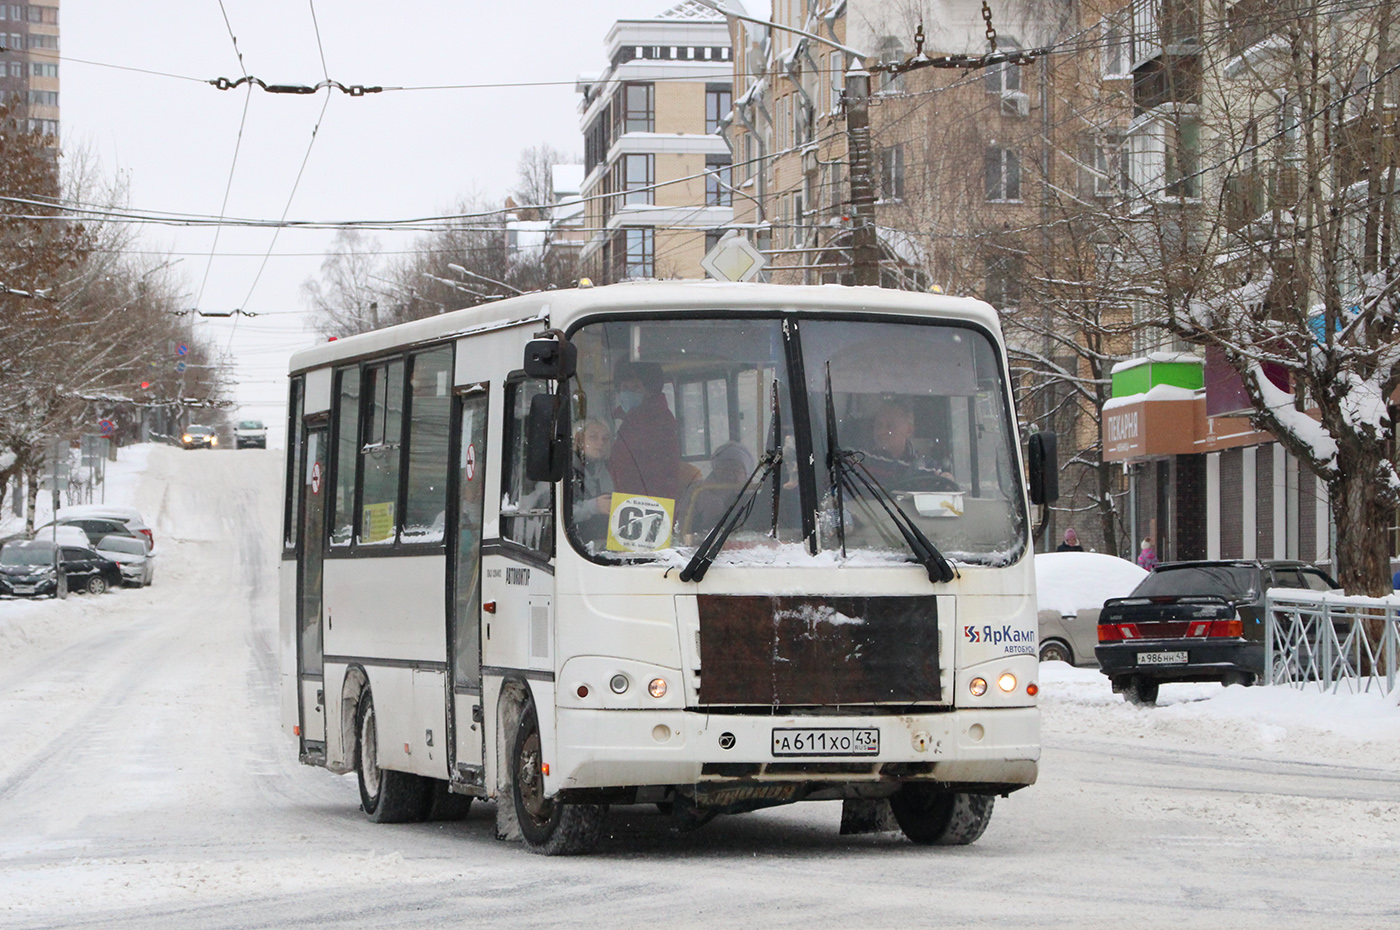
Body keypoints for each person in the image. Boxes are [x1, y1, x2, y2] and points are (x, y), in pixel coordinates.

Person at [609, 361, 681, 502]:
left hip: (645, 503)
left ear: (650, 391)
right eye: (625, 388)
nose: (629, 392)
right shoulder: (625, 421)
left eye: (636, 387)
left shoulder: (658, 422)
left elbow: (652, 473)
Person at [861, 400, 956, 491]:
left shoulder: (928, 468)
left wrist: (946, 483)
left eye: (890, 426)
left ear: (909, 430)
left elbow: (942, 499)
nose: (881, 432)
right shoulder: (859, 461)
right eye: (878, 425)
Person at [571, 419, 614, 544]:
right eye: (593, 437)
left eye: (605, 439)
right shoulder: (563, 471)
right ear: (577, 440)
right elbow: (556, 513)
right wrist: (593, 507)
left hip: (602, 545)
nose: (600, 443)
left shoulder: (606, 473)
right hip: (573, 546)